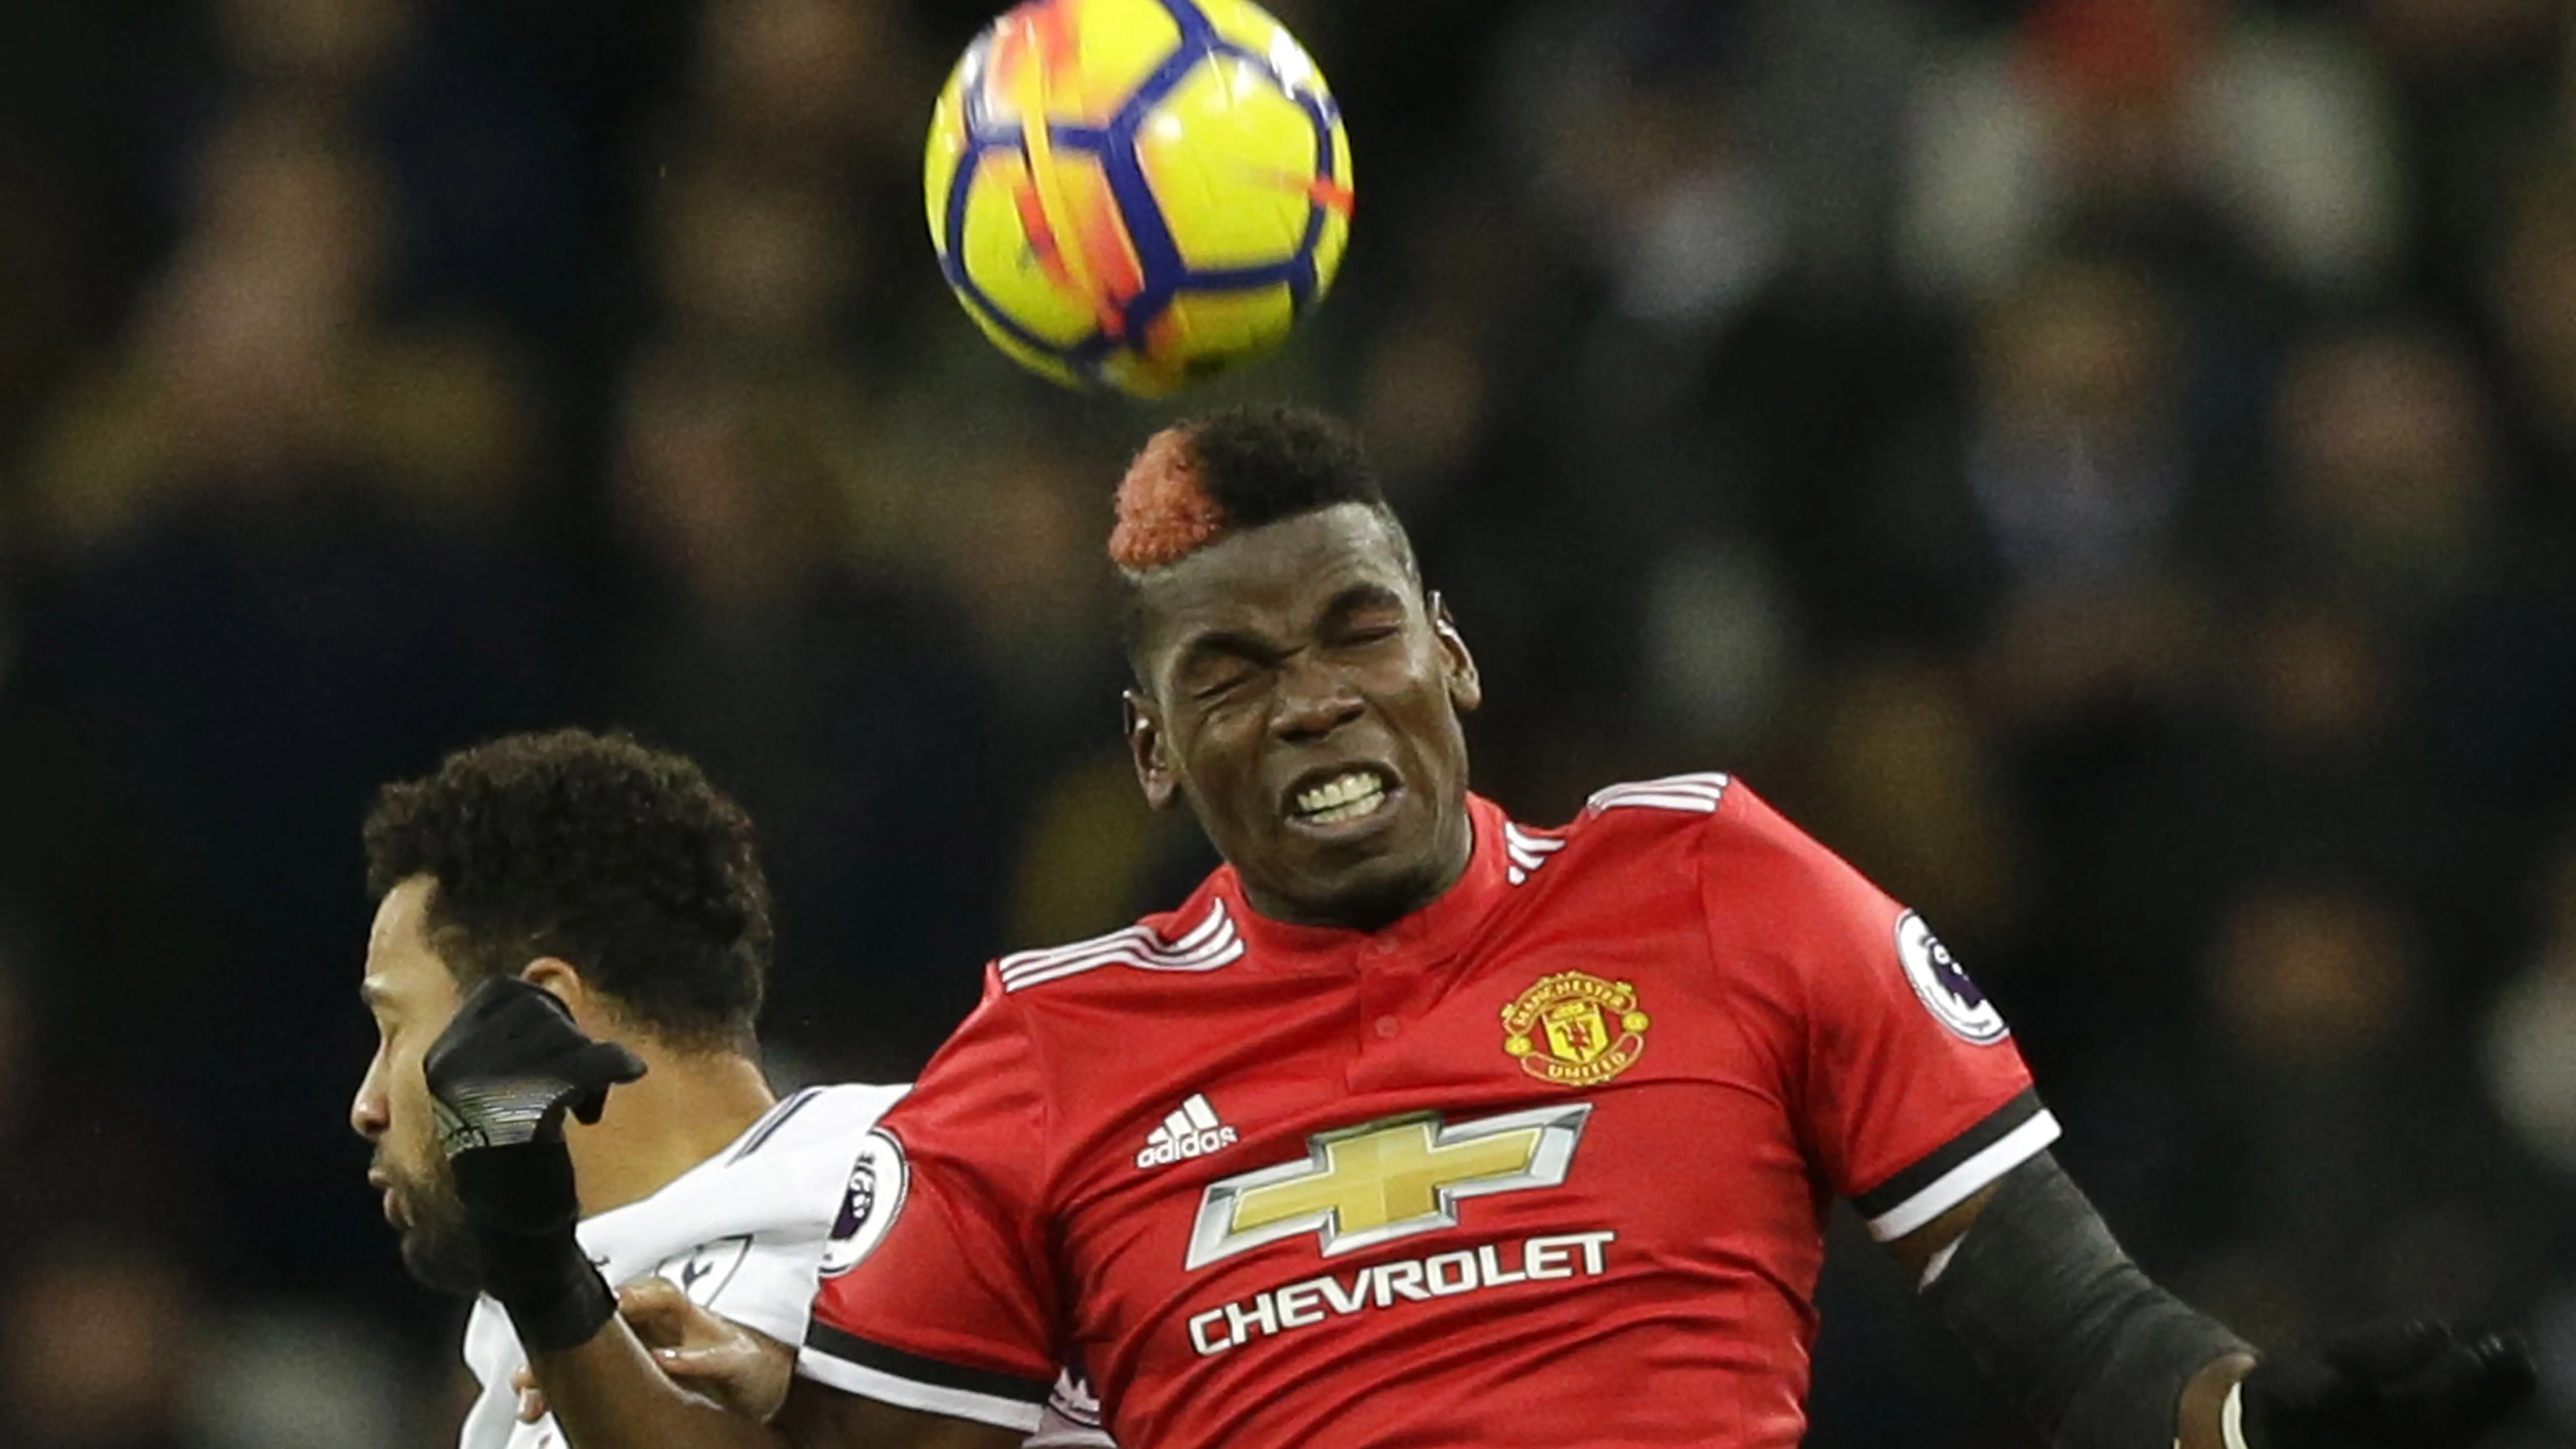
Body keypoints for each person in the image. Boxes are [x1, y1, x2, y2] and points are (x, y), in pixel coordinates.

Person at [417, 410, 2535, 1449]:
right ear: (1157, 757)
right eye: (1232, 676)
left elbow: (2074, 1329)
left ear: (1453, 660)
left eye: (1356, 633)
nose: (1317, 695)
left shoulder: (1716, 885)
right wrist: (528, 1237)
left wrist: (2265, 1424)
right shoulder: (1045, 1053)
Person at [349, 728, 1109, 1449]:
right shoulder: (538, 1349)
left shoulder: (914, 1203)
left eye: (393, 1030)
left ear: (542, 1013)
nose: (368, 1105)